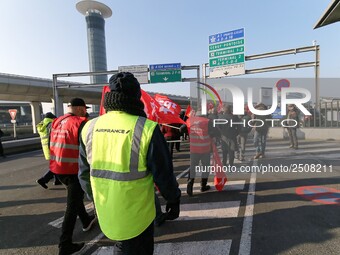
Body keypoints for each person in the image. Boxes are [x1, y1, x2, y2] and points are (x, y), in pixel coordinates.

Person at [78, 72, 181, 255]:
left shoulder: (90, 127)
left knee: (122, 246)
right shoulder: (146, 128)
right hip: (138, 215)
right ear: (137, 95)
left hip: (106, 209)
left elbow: (84, 174)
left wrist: (96, 199)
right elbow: (163, 174)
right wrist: (173, 199)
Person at [49, 98, 96, 255]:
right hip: (73, 169)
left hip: (57, 168)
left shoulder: (56, 121)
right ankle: (65, 245)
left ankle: (86, 221)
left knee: (75, 198)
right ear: (78, 108)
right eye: (83, 108)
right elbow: (87, 147)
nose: (85, 111)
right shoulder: (80, 123)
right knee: (72, 206)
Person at [187, 110, 219, 196]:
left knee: (193, 167)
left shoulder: (190, 121)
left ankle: (190, 183)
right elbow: (217, 132)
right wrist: (210, 135)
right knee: (205, 167)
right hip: (205, 149)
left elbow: (182, 128)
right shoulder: (208, 122)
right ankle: (203, 185)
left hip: (193, 149)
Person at [36, 112, 62, 189]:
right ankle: (43, 179)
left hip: (46, 147)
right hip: (53, 147)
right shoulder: (51, 124)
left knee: (55, 163)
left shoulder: (41, 125)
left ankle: (57, 181)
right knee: (56, 164)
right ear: (52, 118)